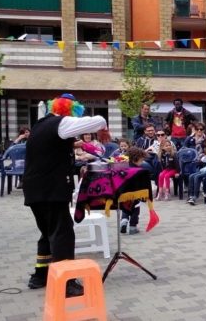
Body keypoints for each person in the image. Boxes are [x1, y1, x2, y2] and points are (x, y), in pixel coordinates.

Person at [24, 93, 107, 296]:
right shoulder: (61, 123)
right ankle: (66, 282)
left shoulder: (40, 125)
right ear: (69, 112)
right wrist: (101, 125)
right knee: (62, 233)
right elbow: (99, 120)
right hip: (51, 189)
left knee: (47, 232)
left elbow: (51, 148)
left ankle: (40, 275)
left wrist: (74, 144)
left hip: (35, 189)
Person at [120, 147, 149, 235]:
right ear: (136, 159)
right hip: (136, 194)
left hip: (124, 193)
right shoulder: (139, 170)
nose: (142, 161)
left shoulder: (125, 168)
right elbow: (143, 184)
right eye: (141, 159)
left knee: (125, 208)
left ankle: (124, 220)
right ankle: (133, 227)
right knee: (135, 210)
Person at [186, 136, 206, 205]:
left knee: (197, 177)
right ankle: (191, 196)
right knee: (191, 176)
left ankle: (195, 196)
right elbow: (202, 160)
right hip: (205, 169)